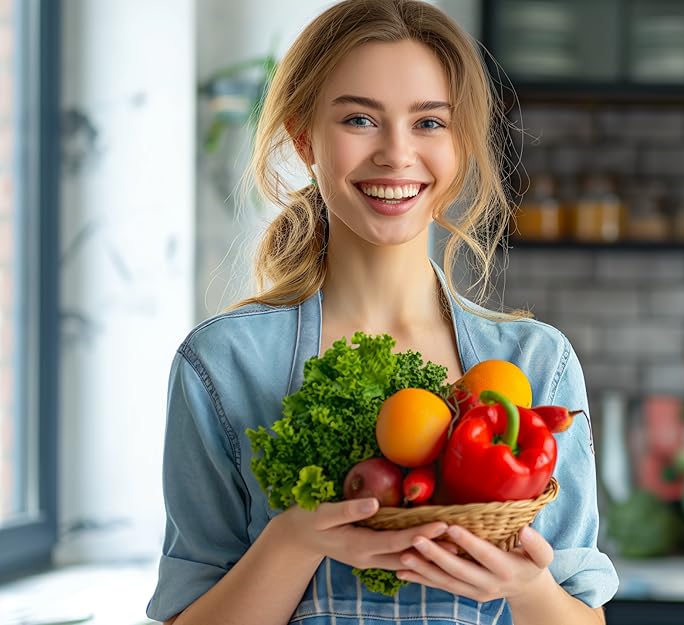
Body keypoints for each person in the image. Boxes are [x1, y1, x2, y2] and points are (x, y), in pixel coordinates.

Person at [145, 1, 617, 623]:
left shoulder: (535, 362)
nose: (397, 154)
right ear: (303, 137)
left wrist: (525, 589)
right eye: (360, 119)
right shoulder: (222, 364)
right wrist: (295, 539)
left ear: (462, 143)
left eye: (428, 123)